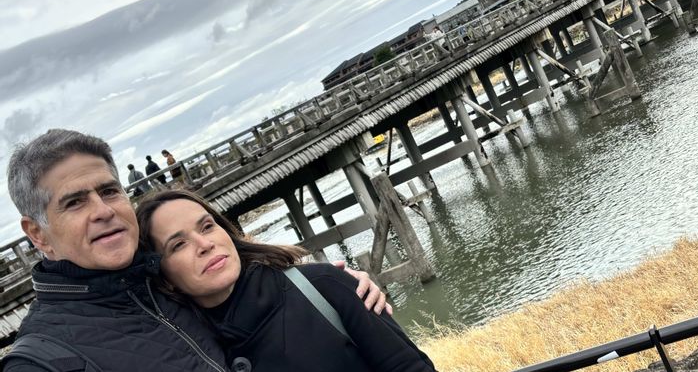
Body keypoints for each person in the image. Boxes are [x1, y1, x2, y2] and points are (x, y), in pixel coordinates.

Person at [3, 129, 389, 371]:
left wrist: (334, 288)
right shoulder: (44, 359)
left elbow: (257, 301)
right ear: (37, 234)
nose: (102, 211)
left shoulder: (166, 282)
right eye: (75, 202)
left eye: (108, 191)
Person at [137, 189, 437, 372]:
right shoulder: (188, 349)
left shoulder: (322, 286)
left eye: (206, 227)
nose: (204, 244)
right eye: (178, 245)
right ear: (164, 277)